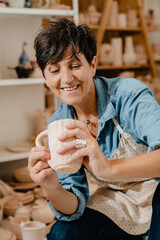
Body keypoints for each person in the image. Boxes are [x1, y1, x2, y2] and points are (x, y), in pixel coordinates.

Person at [28, 18, 160, 240]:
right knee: (62, 234)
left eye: (75, 65)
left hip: (156, 189)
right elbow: (73, 205)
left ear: (93, 65)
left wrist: (107, 167)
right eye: (55, 69)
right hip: (118, 200)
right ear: (45, 77)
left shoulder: (129, 95)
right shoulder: (58, 124)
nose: (66, 78)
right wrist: (51, 187)